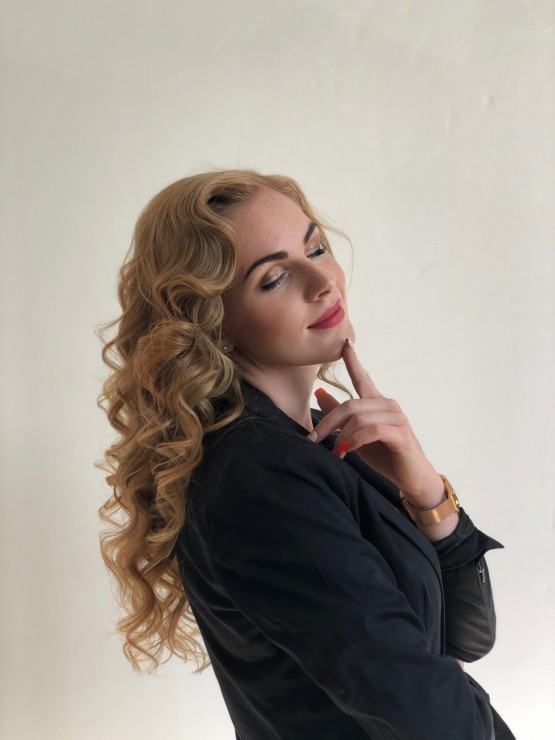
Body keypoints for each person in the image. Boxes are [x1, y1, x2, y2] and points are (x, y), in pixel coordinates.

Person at [97, 170, 515, 739]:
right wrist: (448, 681)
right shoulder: (263, 475)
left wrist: (426, 493)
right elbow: (437, 719)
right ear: (212, 323)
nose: (323, 281)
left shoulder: (318, 440)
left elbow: (466, 639)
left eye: (315, 248)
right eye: (274, 278)